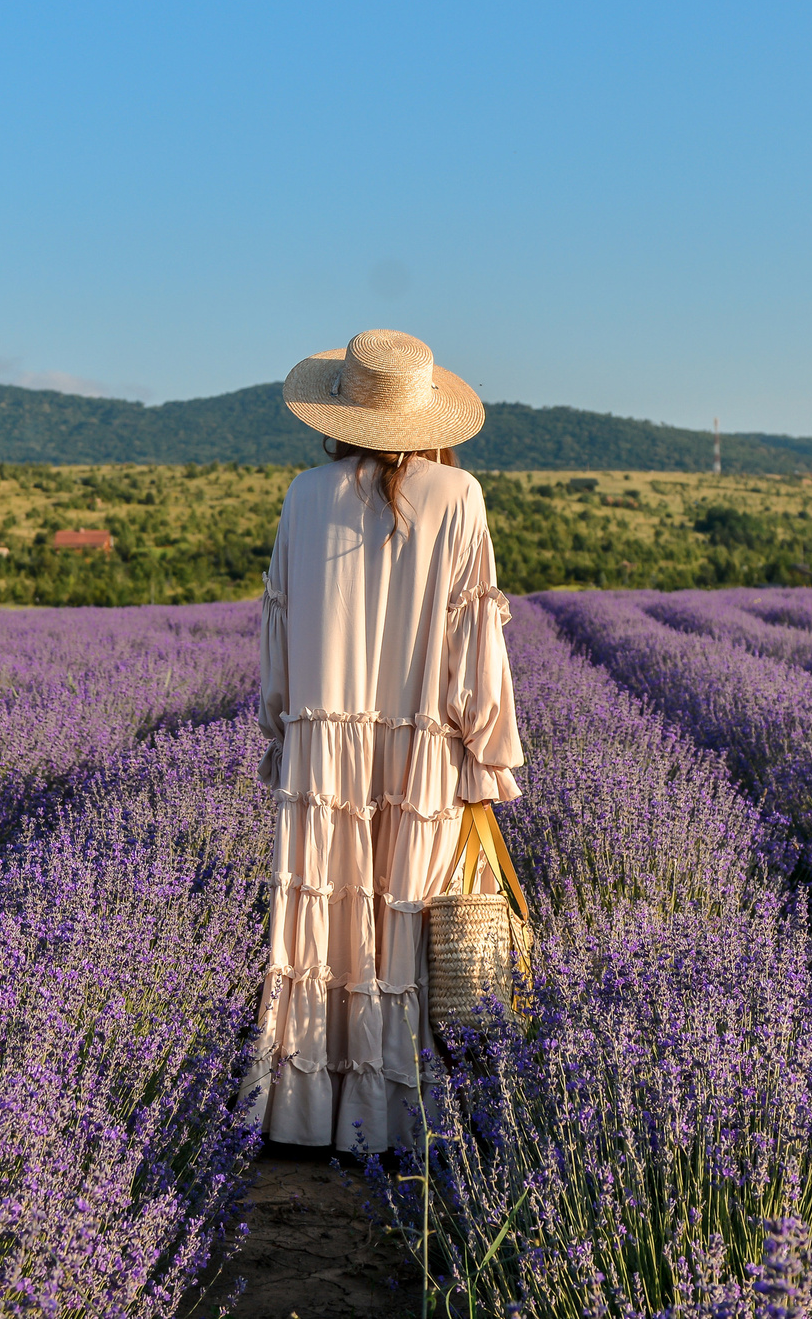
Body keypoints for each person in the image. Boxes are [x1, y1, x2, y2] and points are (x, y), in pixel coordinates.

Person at [245, 327, 524, 1154]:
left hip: (322, 753)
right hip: (423, 756)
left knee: (322, 930)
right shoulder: (460, 495)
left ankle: (304, 1114)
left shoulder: (303, 496)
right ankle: (396, 1122)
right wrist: (488, 750)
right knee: (404, 931)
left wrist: (287, 728)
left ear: (341, 412)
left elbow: (278, 636)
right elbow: (475, 643)